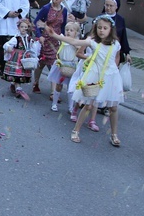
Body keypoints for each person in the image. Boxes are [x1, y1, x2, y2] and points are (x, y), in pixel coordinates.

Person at [53, 14, 124, 146]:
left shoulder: (116, 44)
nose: (101, 30)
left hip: (112, 77)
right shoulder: (94, 42)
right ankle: (76, 131)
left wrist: (113, 68)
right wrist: (56, 36)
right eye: (99, 28)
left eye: (105, 28)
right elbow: (74, 42)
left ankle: (114, 134)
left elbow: (117, 57)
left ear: (110, 30)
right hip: (96, 76)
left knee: (114, 107)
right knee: (88, 105)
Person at [32, 0, 70, 96]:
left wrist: (62, 39)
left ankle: (53, 92)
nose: (54, 1)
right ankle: (36, 82)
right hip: (45, 39)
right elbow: (37, 22)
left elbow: (63, 27)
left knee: (55, 64)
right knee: (41, 63)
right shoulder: (46, 8)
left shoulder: (64, 11)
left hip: (56, 40)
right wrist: (39, 36)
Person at [47, 21, 81, 112]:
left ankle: (71, 107)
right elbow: (56, 36)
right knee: (59, 85)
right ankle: (54, 103)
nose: (68, 32)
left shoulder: (77, 42)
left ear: (76, 32)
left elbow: (79, 48)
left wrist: (73, 42)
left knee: (71, 88)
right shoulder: (63, 39)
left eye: (71, 30)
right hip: (62, 64)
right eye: (67, 30)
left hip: (72, 66)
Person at [2, 18, 40, 96]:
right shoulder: (16, 38)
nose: (24, 29)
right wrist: (8, 47)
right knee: (17, 73)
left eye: (25, 27)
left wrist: (35, 57)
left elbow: (33, 49)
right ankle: (18, 89)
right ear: (18, 28)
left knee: (21, 73)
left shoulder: (29, 39)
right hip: (17, 58)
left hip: (25, 58)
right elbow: (7, 44)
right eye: (22, 27)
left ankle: (14, 84)